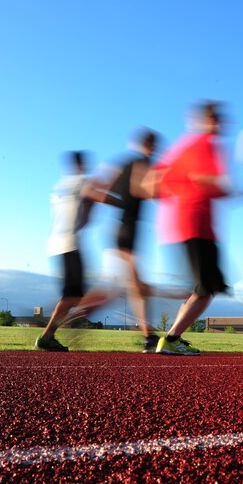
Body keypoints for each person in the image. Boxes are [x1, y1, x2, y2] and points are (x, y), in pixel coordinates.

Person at [145, 102, 230, 355]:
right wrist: (221, 188)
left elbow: (151, 185)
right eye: (216, 119)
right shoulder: (204, 144)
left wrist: (178, 189)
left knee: (202, 288)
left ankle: (173, 339)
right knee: (207, 288)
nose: (220, 124)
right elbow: (211, 181)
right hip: (197, 225)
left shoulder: (179, 147)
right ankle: (171, 339)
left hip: (180, 227)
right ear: (207, 120)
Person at [70, 128, 160, 352]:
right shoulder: (139, 163)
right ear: (146, 143)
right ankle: (149, 337)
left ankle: (72, 317)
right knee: (135, 285)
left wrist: (113, 201)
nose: (155, 147)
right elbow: (141, 190)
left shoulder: (121, 164)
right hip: (125, 228)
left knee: (117, 288)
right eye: (153, 143)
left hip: (125, 228)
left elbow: (94, 188)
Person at [36, 151, 95, 352]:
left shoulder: (59, 187)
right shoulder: (83, 182)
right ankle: (47, 334)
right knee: (72, 296)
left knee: (74, 295)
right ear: (81, 164)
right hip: (71, 243)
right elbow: (95, 203)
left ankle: (53, 329)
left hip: (56, 243)